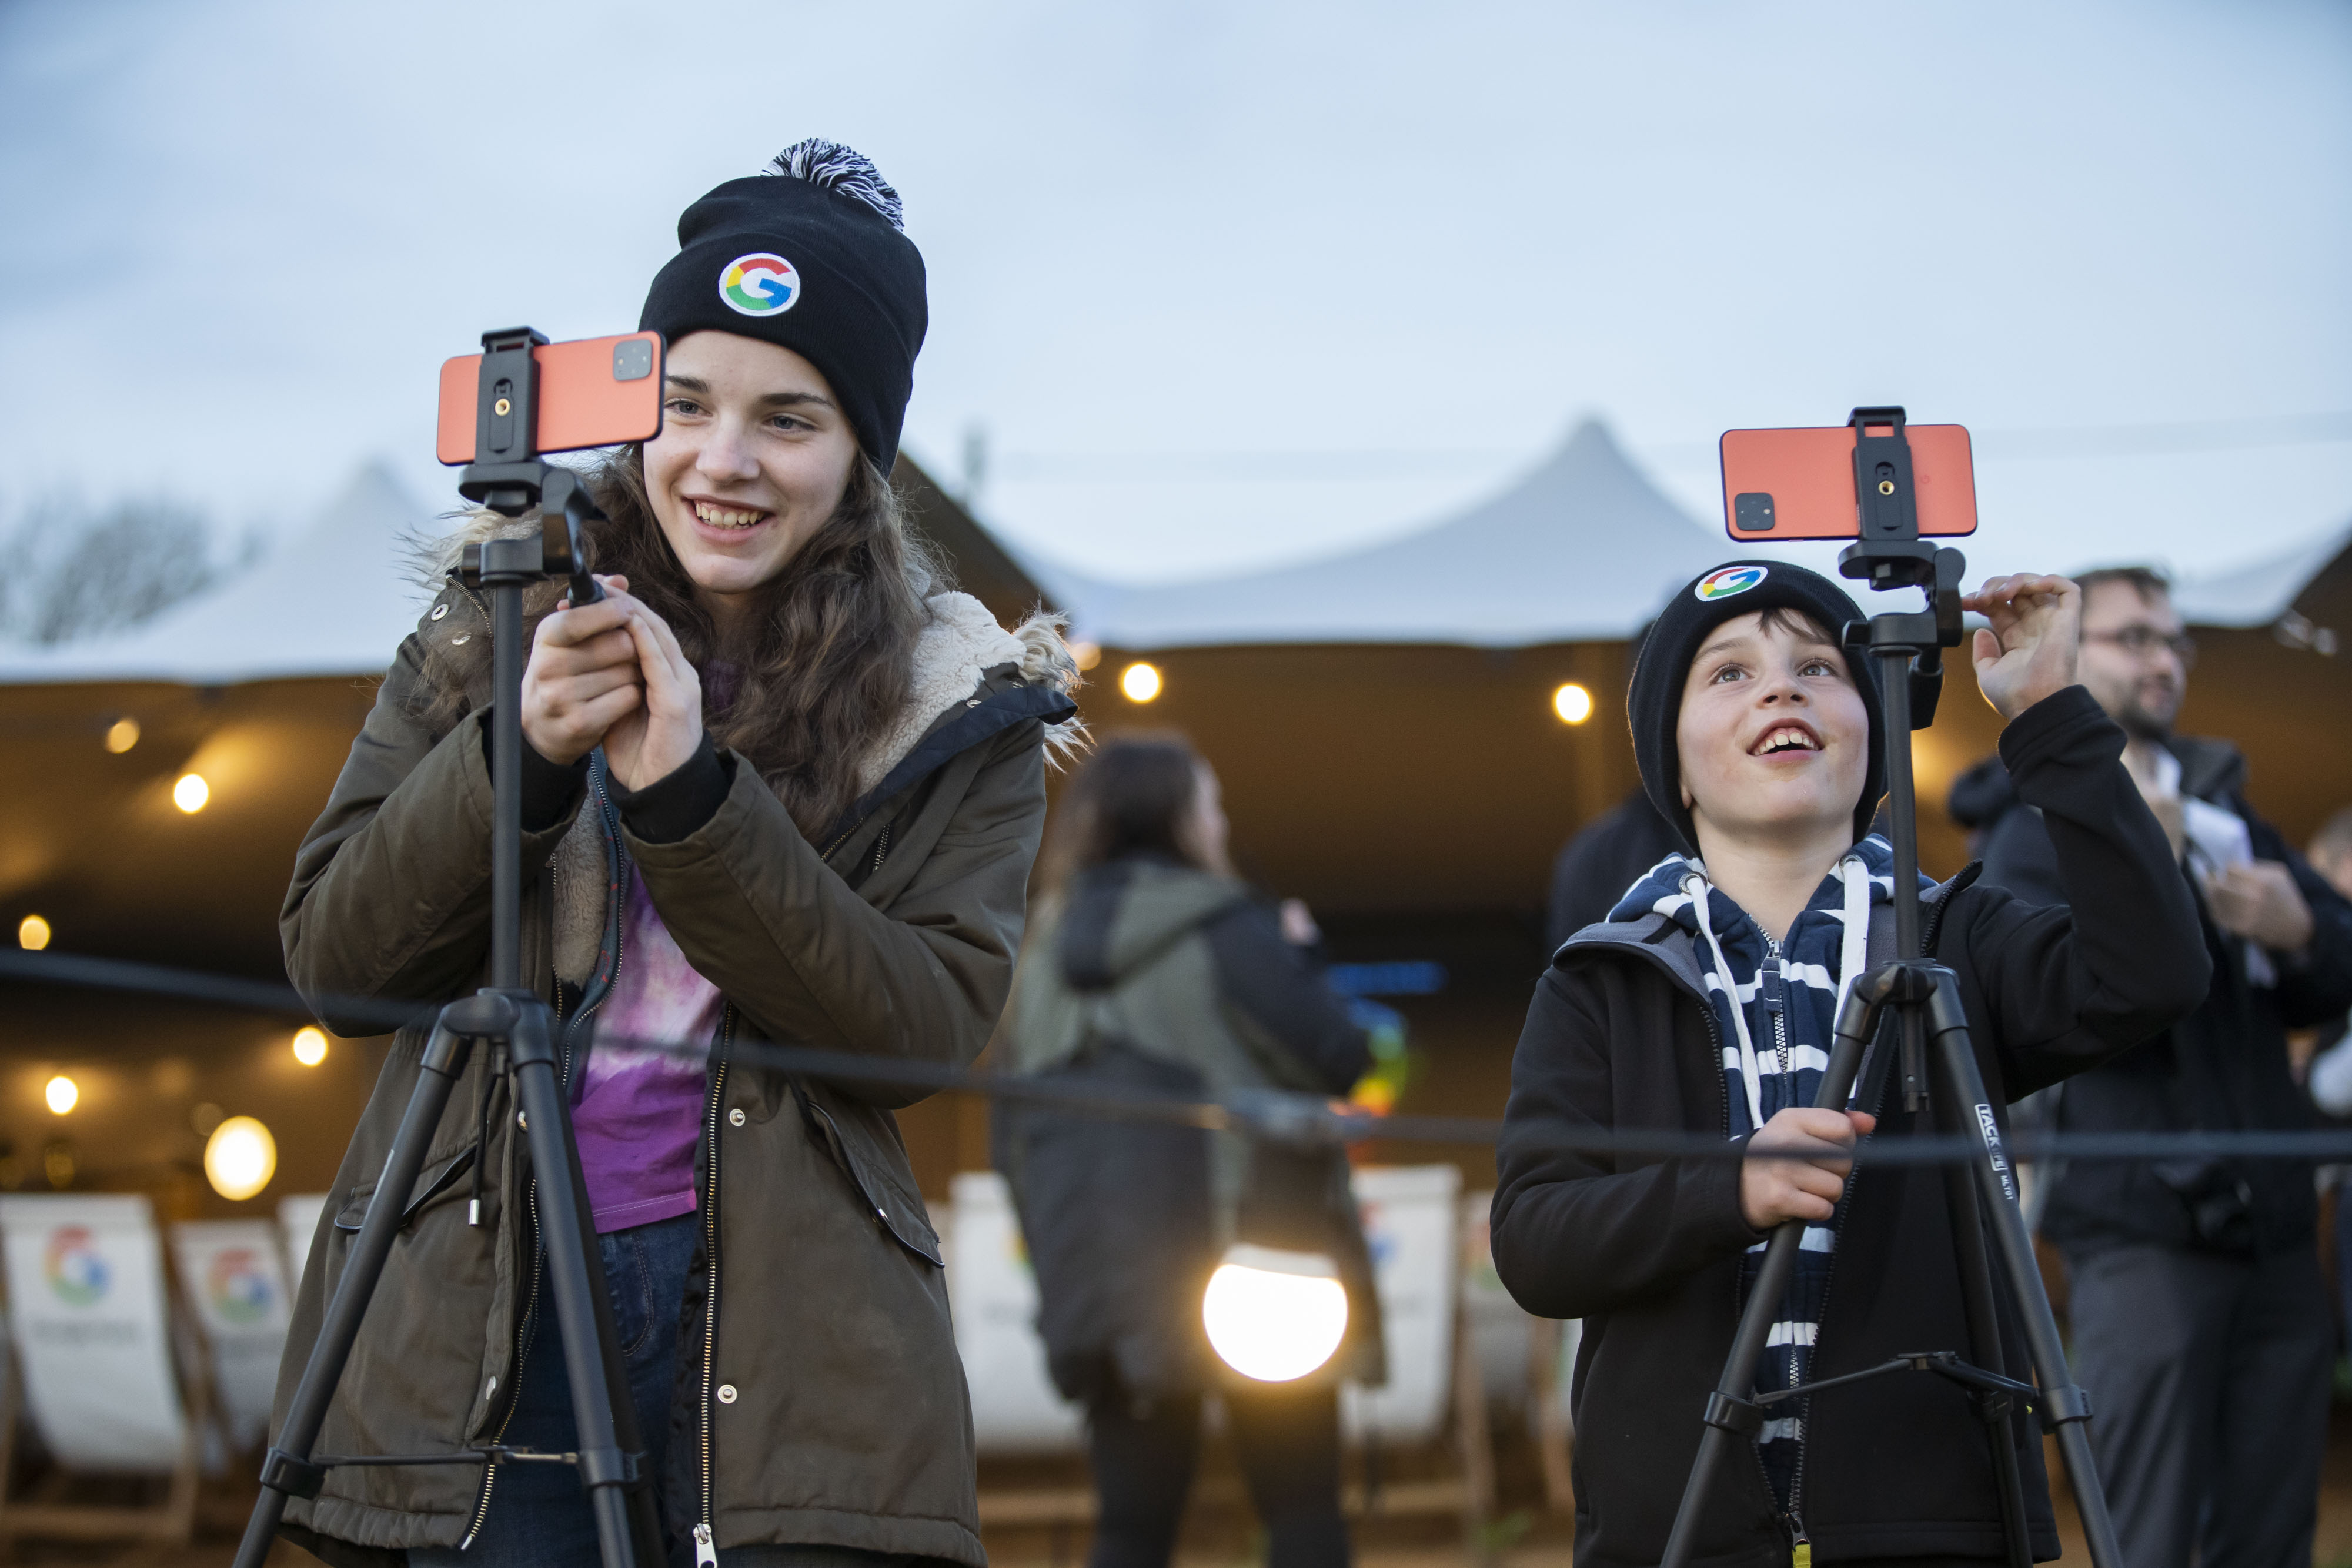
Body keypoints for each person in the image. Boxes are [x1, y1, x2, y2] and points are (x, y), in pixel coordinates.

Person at [272, 142, 1080, 1568]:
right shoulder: (493, 621)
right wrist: (513, 760)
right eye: (689, 402)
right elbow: (336, 957)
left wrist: (693, 797)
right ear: (638, 408)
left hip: (794, 1335)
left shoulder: (957, 696)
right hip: (488, 1297)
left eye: (790, 417)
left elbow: (913, 1029)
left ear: (860, 456)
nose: (725, 459)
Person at [1491, 560, 2209, 1568]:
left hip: (1931, 1522)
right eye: (1729, 674)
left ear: (1873, 734)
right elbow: (1534, 1244)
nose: (1781, 688)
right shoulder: (1603, 978)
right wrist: (1727, 1189)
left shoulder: (1960, 939)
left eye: (1819, 667)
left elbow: (2155, 973)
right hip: (1678, 1531)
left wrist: (2050, 715)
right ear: (1677, 767)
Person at [1965, 567, 2352, 1568]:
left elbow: (2334, 976)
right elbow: (2042, 1015)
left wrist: (2302, 927)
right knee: (2150, 1533)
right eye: (2133, 637)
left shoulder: (2233, 808)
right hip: (2140, 1231)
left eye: (2174, 641)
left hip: (2271, 1232)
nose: (2164, 660)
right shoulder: (2028, 828)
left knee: (2273, 1534)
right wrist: (2145, 885)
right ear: (2071, 654)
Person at [994, 734, 1379, 1568]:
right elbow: (1340, 1056)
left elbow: (1012, 1131)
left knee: (1131, 1528)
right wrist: (1303, 956)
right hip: (1258, 1258)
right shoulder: (1226, 926)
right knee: (1303, 1509)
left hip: (1106, 1270)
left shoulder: (1040, 952)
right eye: (1211, 804)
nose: (1221, 821)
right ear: (1178, 819)